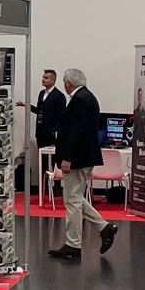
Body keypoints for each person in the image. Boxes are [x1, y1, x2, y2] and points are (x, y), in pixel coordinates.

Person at [51, 67, 119, 260]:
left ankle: (73, 244)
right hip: (83, 156)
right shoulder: (87, 97)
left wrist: (67, 157)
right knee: (74, 197)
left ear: (68, 83)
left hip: (78, 157)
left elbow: (76, 130)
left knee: (72, 200)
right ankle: (104, 227)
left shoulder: (80, 99)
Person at [33, 69, 66, 155]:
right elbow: (40, 110)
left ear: (53, 80)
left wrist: (54, 131)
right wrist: (28, 106)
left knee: (51, 158)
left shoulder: (59, 96)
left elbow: (61, 116)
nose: (43, 79)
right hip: (40, 131)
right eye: (43, 77)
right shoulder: (41, 93)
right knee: (41, 156)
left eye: (46, 78)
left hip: (51, 133)